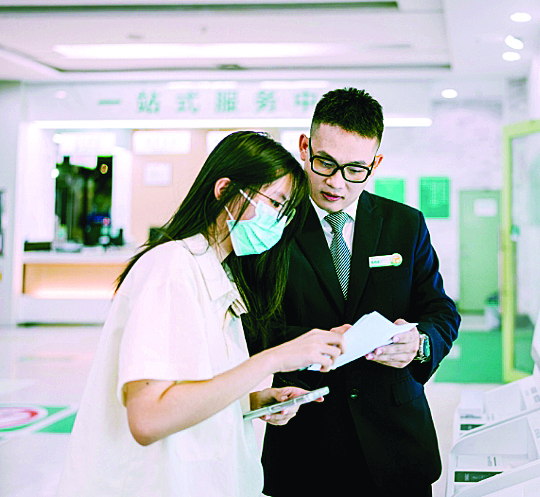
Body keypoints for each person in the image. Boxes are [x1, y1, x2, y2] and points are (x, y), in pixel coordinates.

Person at [56, 131, 344, 497]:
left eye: (285, 213)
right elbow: (149, 417)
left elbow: (191, 391)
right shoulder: (171, 267)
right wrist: (274, 358)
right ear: (224, 190)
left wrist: (252, 402)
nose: (278, 221)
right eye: (275, 203)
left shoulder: (218, 275)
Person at [250, 88, 460, 496]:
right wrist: (316, 344)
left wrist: (419, 344)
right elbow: (254, 327)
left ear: (375, 164)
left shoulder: (405, 225)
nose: (336, 182)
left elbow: (441, 312)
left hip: (396, 443)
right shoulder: (270, 229)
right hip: (305, 444)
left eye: (354, 170)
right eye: (325, 163)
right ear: (305, 147)